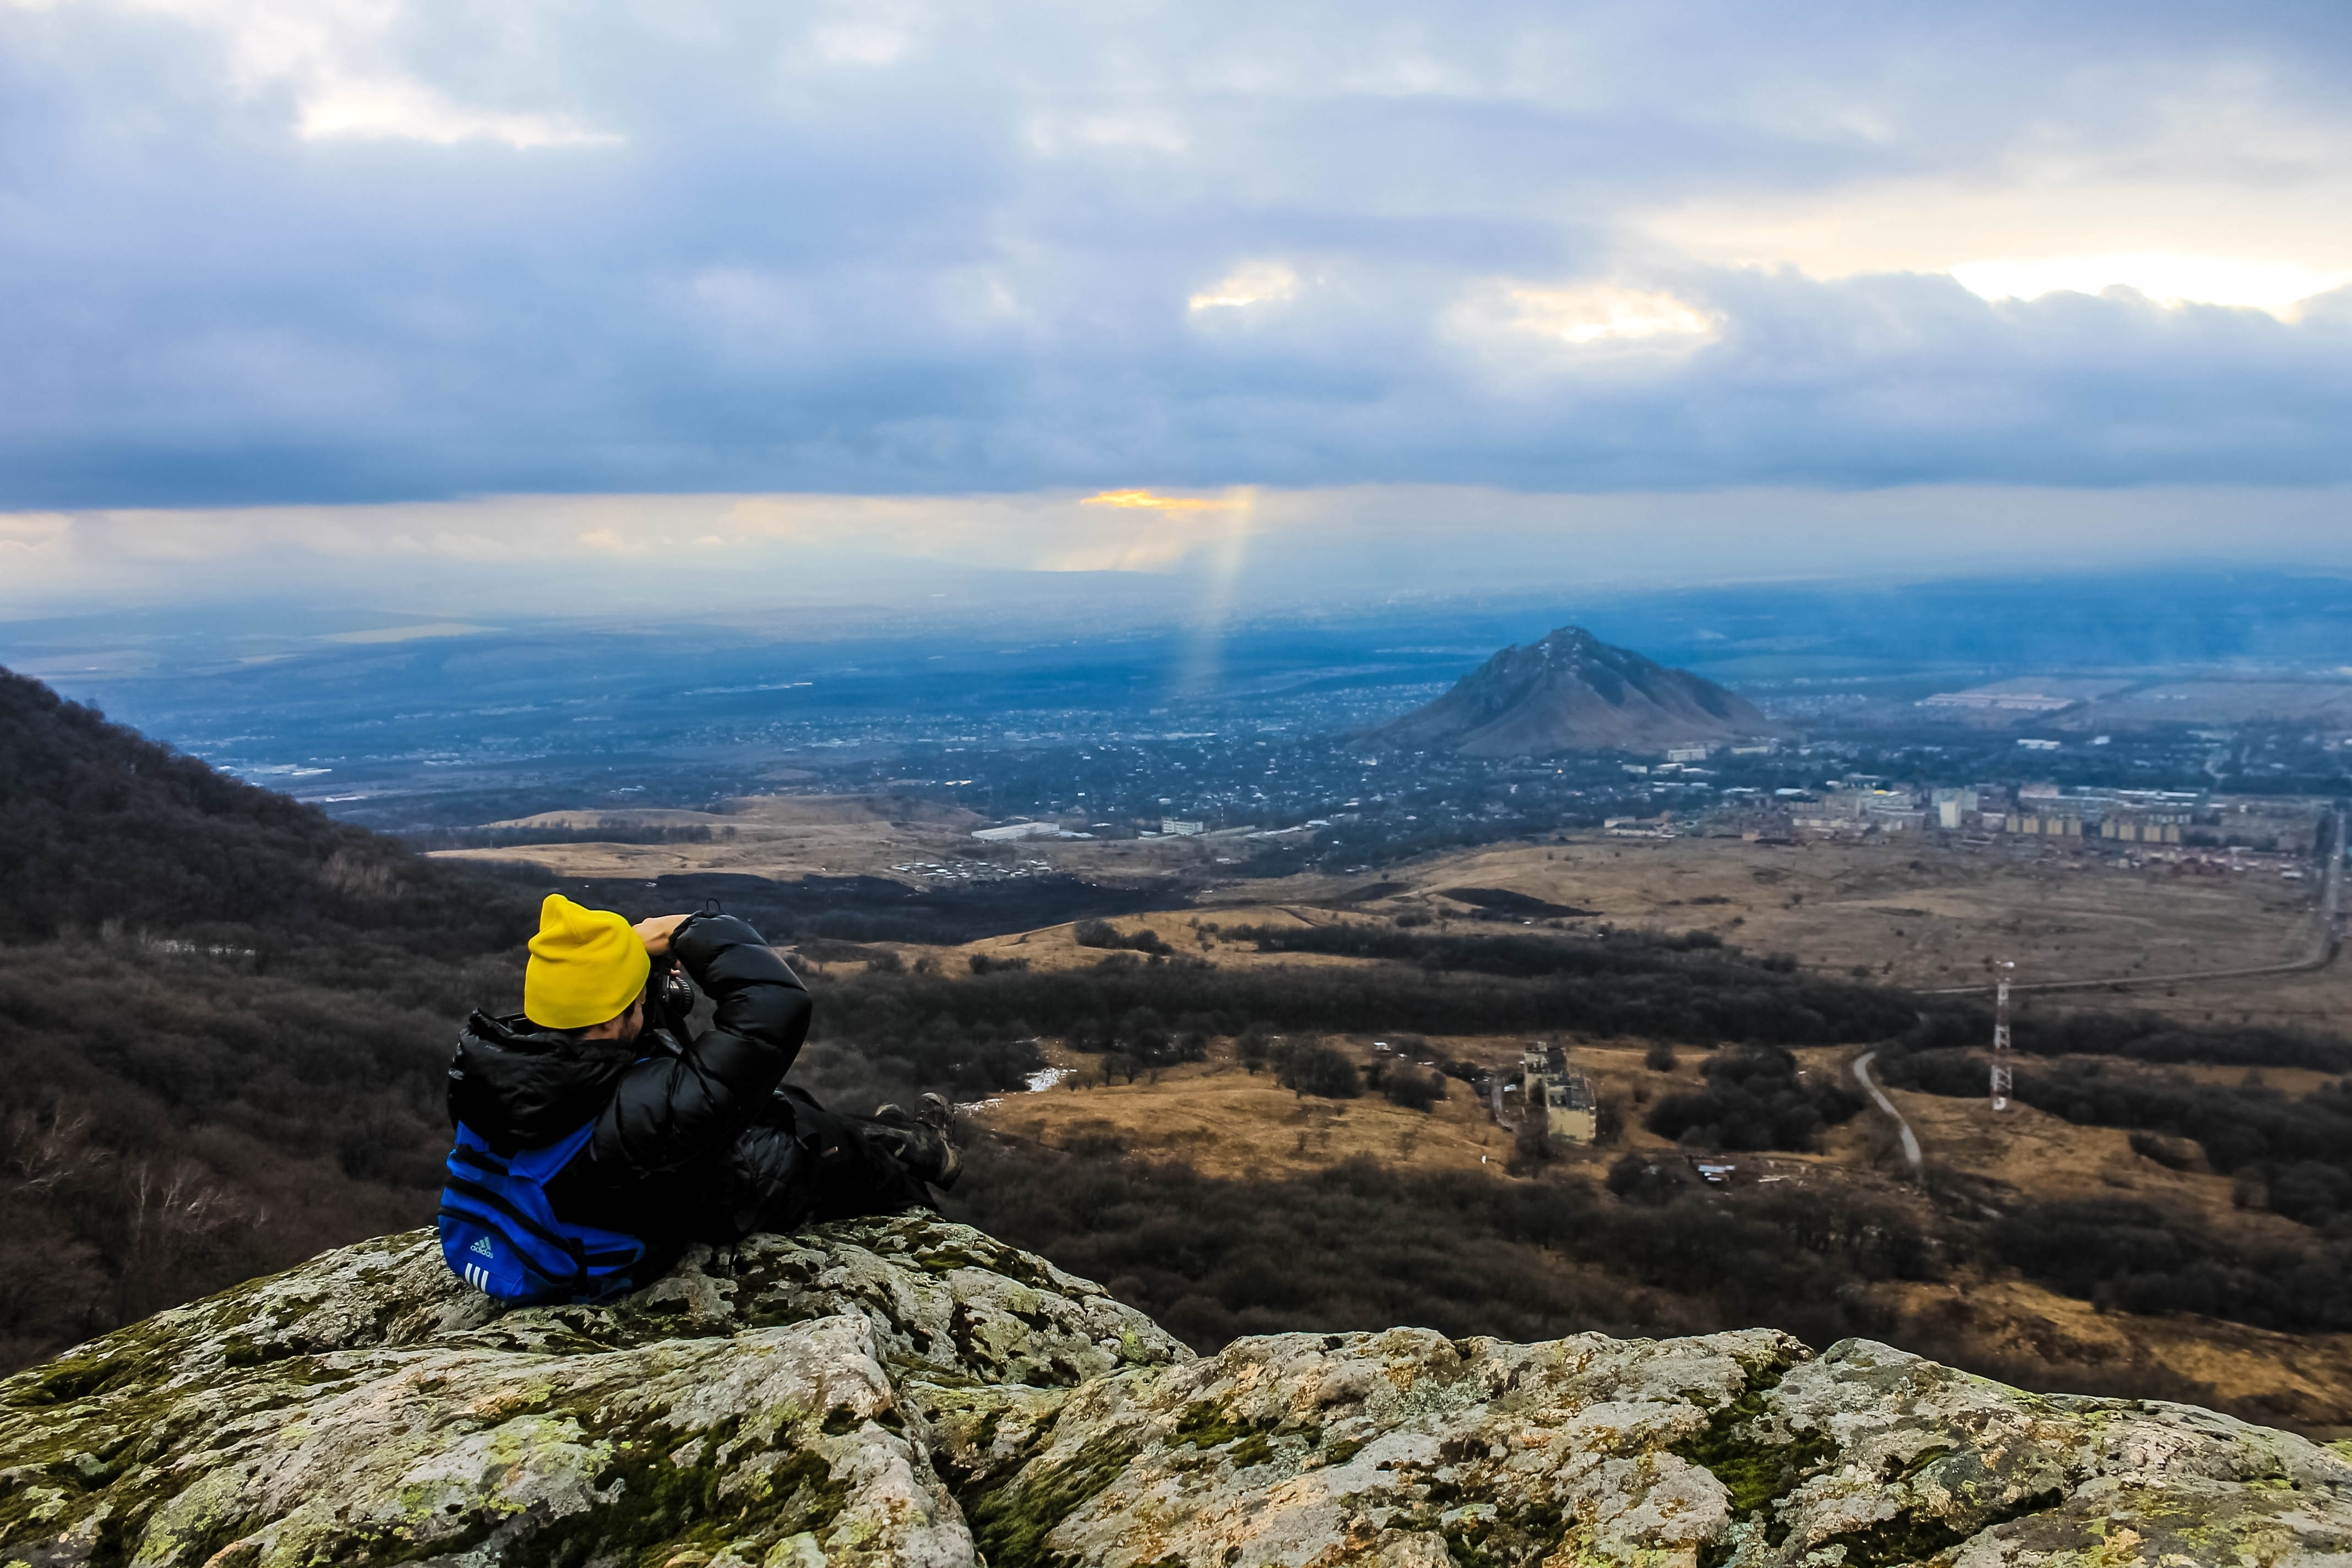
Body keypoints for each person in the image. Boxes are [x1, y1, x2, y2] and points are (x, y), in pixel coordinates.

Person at [445, 894, 957, 1282]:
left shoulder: (490, 1066)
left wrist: (619, 976)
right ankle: (923, 1183)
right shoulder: (651, 1112)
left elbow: (615, 1062)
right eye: (638, 1004)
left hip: (599, 1194)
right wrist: (686, 929)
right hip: (704, 1202)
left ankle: (907, 1137)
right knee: (812, 1138)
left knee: (782, 1105)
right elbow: (775, 1005)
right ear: (615, 1017)